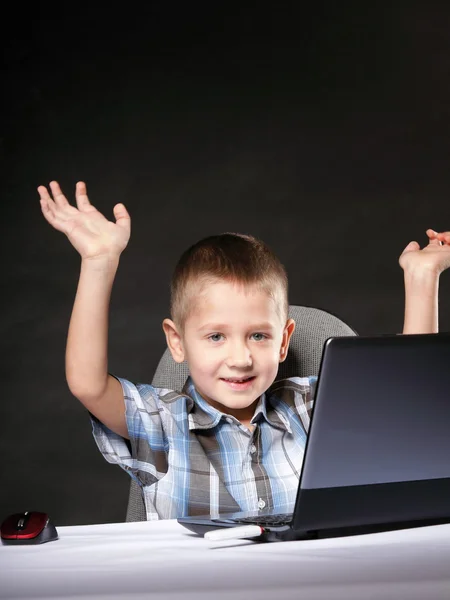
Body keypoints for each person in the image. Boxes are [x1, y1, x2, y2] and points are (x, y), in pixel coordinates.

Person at [39, 180, 450, 520]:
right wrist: (99, 260)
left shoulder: (312, 408)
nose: (240, 358)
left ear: (285, 339)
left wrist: (422, 277)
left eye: (258, 336)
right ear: (177, 341)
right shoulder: (161, 423)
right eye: (216, 336)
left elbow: (404, 404)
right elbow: (88, 384)